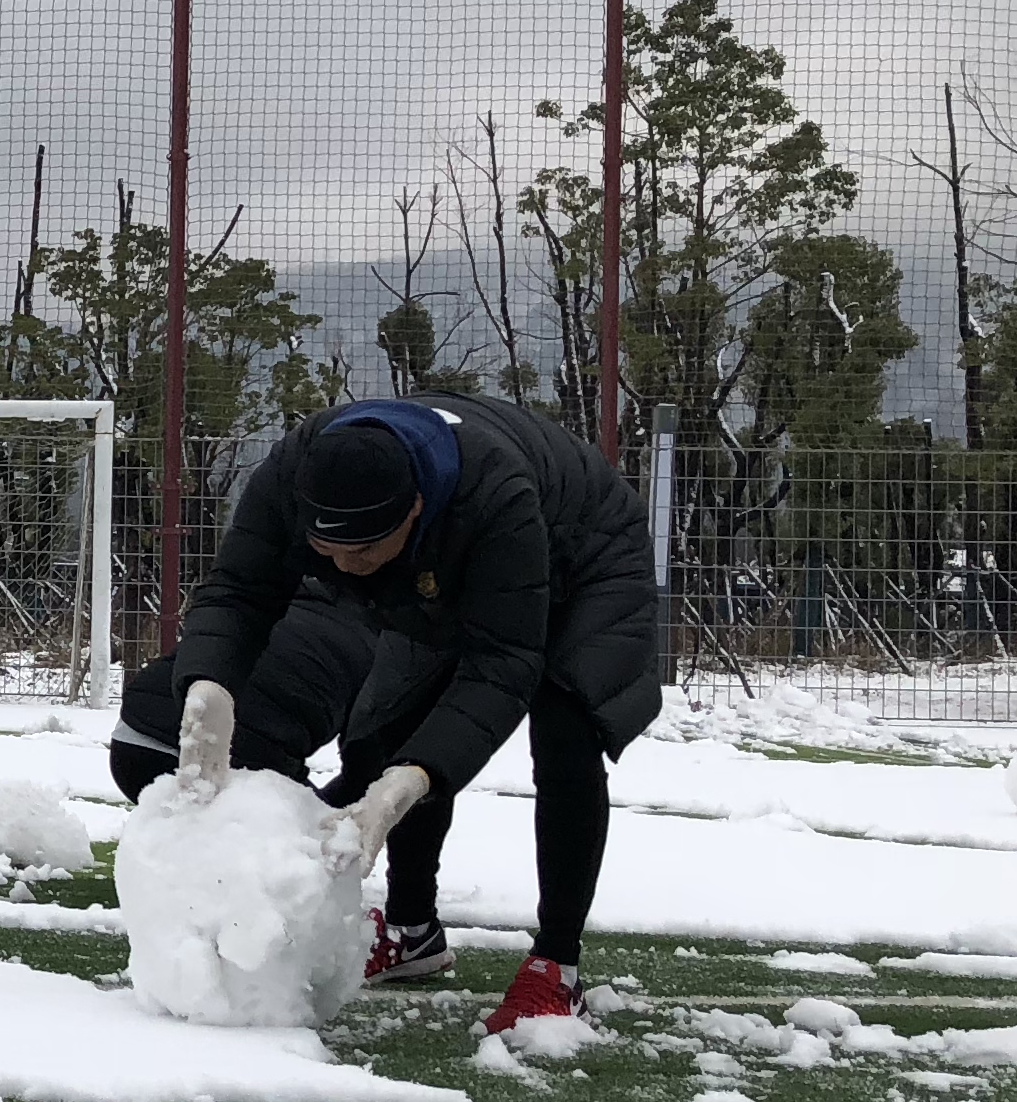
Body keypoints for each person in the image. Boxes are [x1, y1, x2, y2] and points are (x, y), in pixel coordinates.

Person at [169, 392, 663, 1032]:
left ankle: (555, 967)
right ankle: (412, 931)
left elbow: (502, 667)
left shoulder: (495, 497)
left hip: (587, 553)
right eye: (328, 550)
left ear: (417, 511)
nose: (345, 567)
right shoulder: (296, 470)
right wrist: (209, 687)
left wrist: (417, 778)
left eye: (364, 553)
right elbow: (239, 590)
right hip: (447, 562)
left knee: (566, 732)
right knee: (384, 730)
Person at [105, 584, 378, 804]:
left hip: (132, 741)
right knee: (311, 850)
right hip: (235, 759)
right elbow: (364, 772)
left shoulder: (269, 595)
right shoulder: (386, 649)